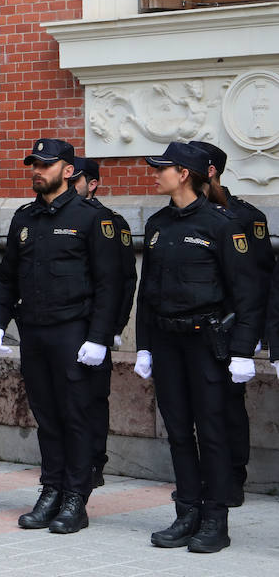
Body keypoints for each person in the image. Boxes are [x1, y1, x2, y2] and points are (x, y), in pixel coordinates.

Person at [133, 141, 265, 553]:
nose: (156, 174)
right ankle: (186, 511)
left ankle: (215, 519)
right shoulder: (157, 225)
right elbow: (147, 292)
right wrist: (144, 346)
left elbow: (247, 293)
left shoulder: (222, 225)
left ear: (184, 174)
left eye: (163, 168)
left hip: (207, 344)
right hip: (168, 342)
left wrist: (243, 350)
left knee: (212, 432)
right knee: (177, 431)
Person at [0, 140, 120, 534]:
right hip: (35, 331)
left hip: (74, 333)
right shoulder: (24, 218)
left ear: (67, 170)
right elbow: (7, 276)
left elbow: (109, 283)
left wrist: (99, 337)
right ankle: (52, 488)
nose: (37, 170)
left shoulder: (92, 218)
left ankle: (76, 497)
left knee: (76, 416)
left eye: (46, 165)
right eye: (34, 164)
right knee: (47, 417)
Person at [188, 140, 272, 507]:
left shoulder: (245, 217)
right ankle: (203, 478)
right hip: (189, 328)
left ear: (209, 172)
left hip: (228, 328)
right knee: (194, 408)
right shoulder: (180, 215)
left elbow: (259, 280)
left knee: (227, 406)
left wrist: (251, 334)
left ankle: (233, 476)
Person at [68, 157, 136, 489]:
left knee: (93, 398)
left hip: (94, 329)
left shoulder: (110, 222)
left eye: (76, 179)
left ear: (91, 184)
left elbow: (123, 280)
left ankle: (94, 462)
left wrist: (114, 327)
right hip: (62, 325)